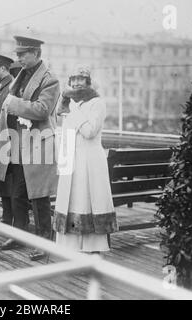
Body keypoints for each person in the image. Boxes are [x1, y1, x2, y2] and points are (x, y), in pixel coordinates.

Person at [0, 36, 60, 260]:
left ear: (36, 54)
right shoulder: (21, 75)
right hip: (16, 142)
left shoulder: (50, 80)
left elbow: (42, 110)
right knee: (17, 194)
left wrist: (13, 104)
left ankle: (43, 241)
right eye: (17, 54)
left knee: (39, 196)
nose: (17, 58)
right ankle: (19, 235)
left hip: (38, 142)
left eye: (22, 54)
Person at [53, 66, 118, 253]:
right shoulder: (71, 103)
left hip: (89, 161)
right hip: (72, 160)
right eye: (72, 79)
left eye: (80, 79)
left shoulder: (97, 102)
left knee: (87, 202)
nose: (75, 83)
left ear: (88, 81)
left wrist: (72, 109)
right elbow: (66, 131)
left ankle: (91, 247)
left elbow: (90, 132)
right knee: (71, 202)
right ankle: (72, 248)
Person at [0, 53, 21, 229]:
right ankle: (7, 217)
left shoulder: (10, 87)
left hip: (9, 140)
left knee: (10, 182)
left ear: (3, 68)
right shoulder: (1, 87)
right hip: (2, 139)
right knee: (3, 180)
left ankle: (11, 219)